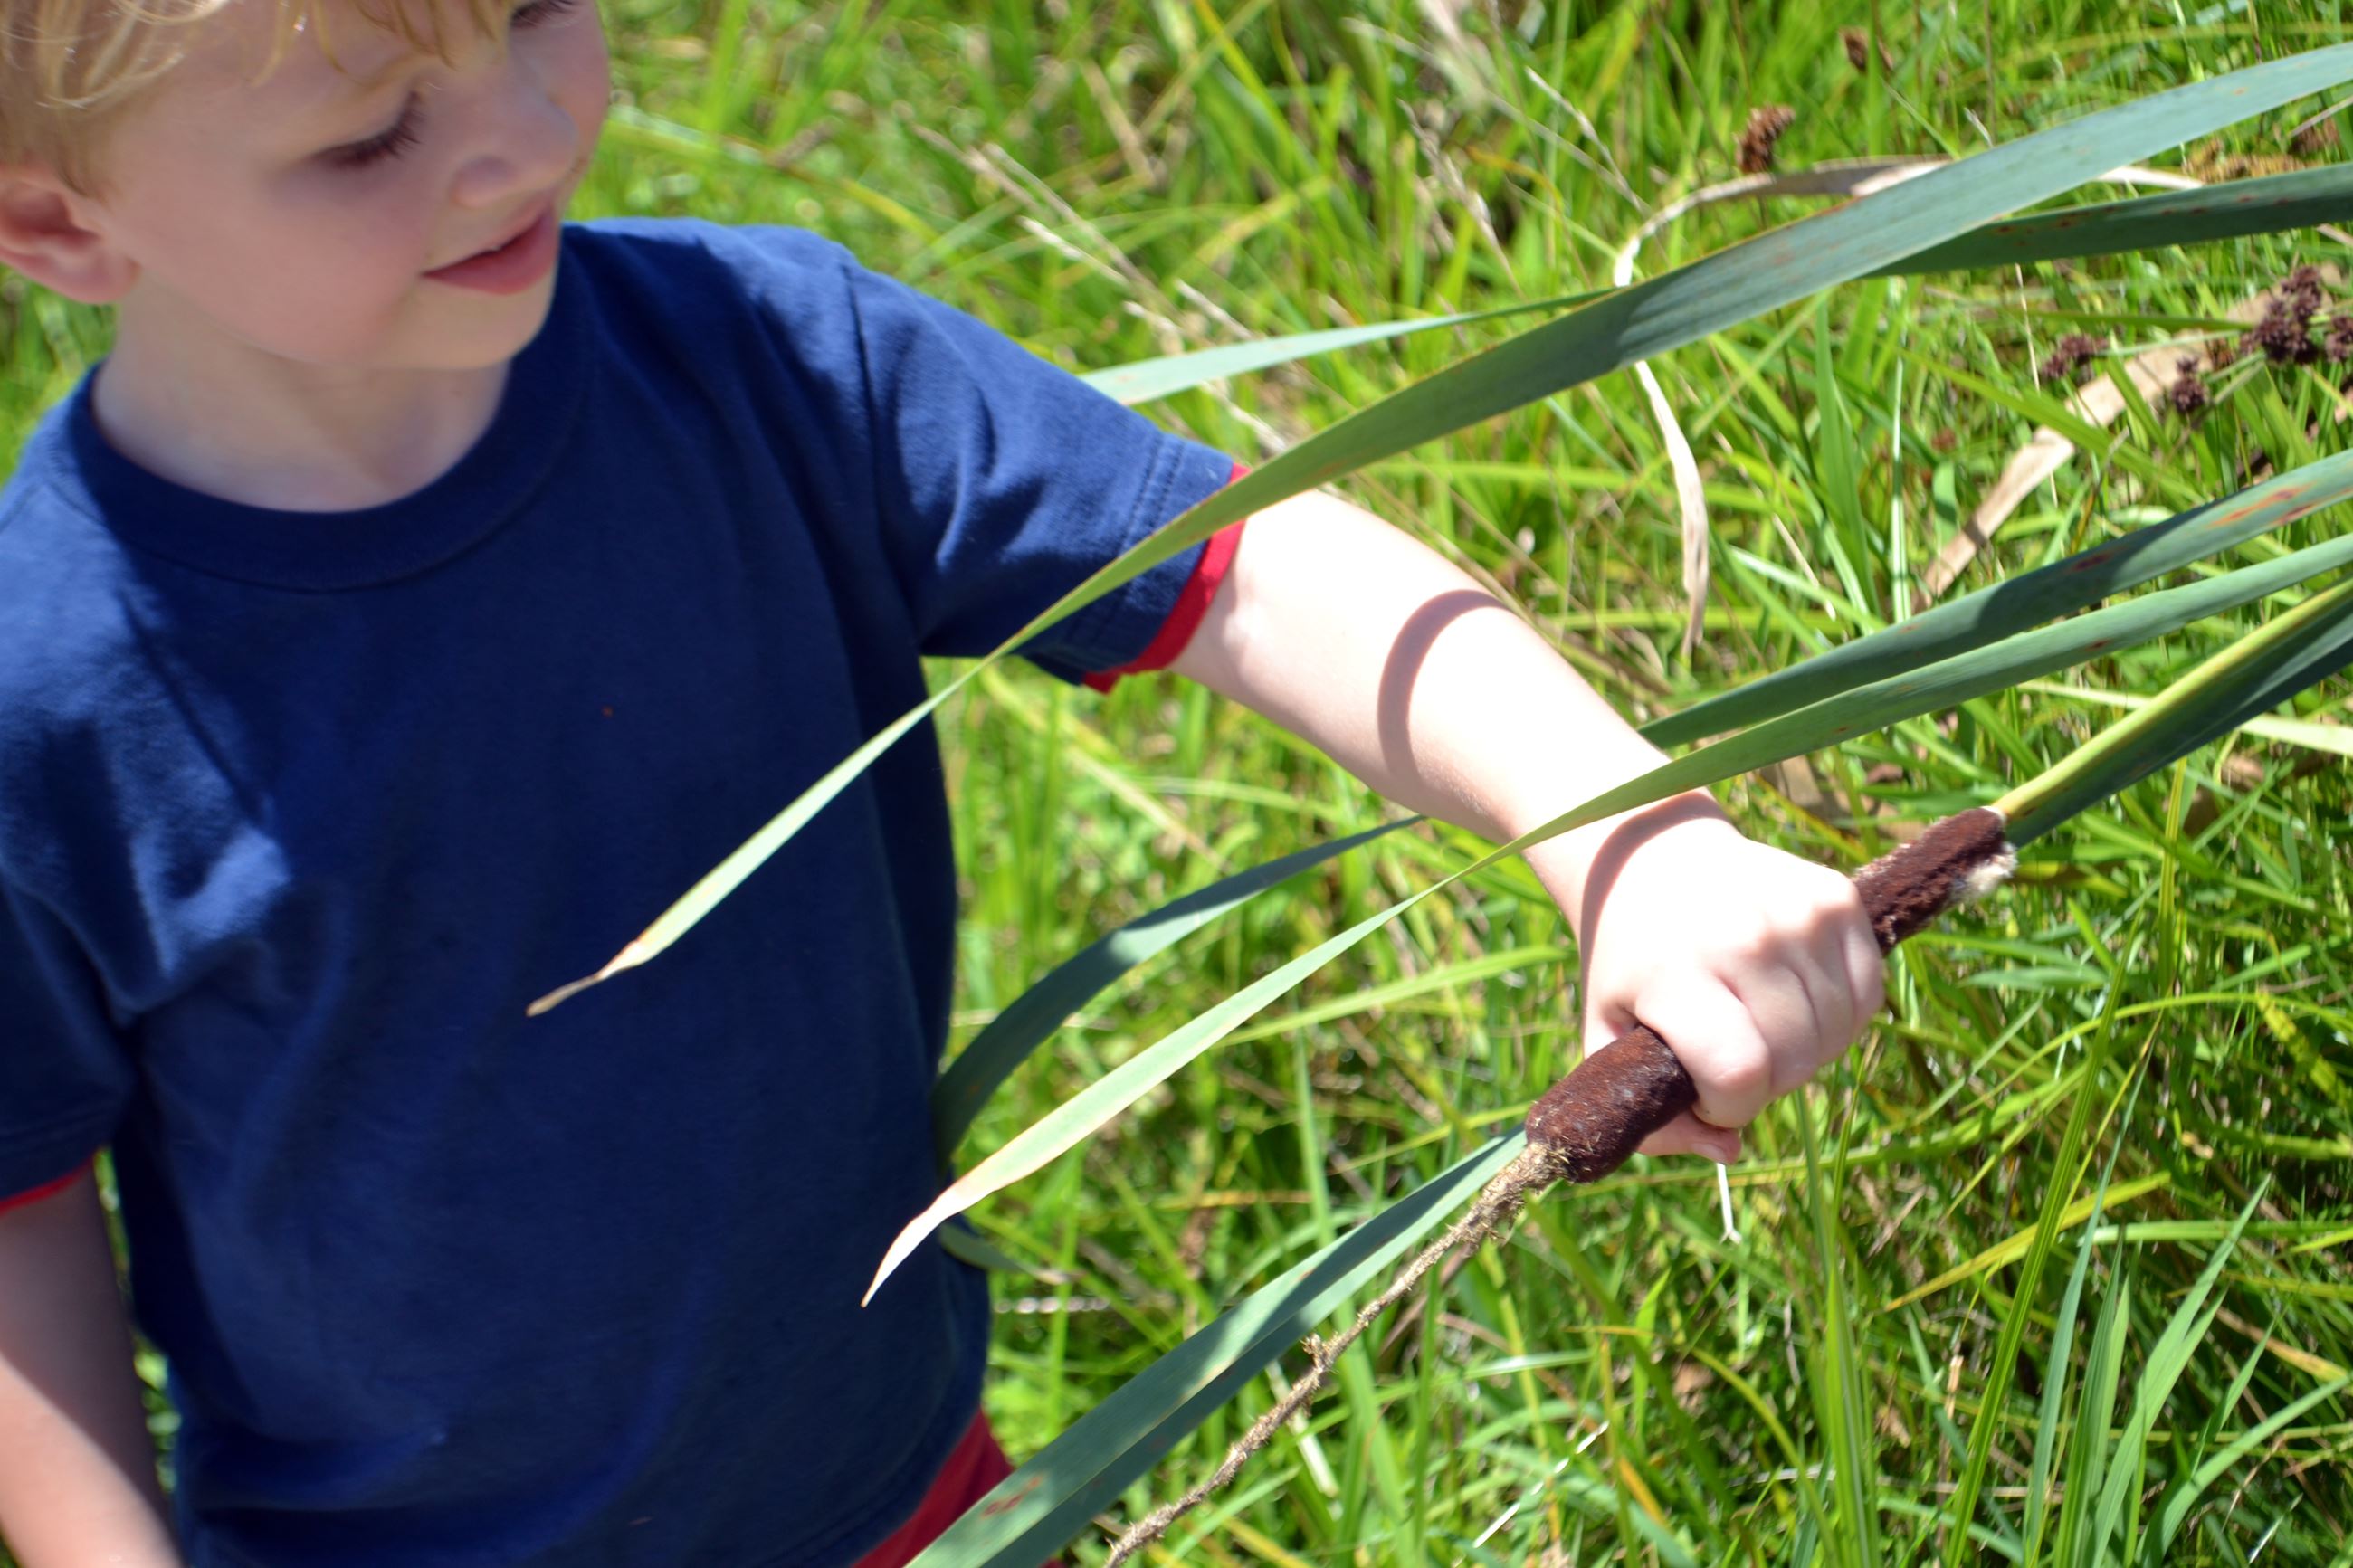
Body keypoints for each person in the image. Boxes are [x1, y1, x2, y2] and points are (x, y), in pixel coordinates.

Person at [0, 0, 1886, 1561]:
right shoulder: (46, 689)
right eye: (362, 139)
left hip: (902, 1505)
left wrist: (1630, 838)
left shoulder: (767, 367)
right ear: (59, 222)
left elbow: (1249, 569)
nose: (516, 132)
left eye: (534, 13)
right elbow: (19, 1205)